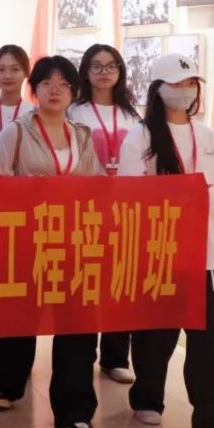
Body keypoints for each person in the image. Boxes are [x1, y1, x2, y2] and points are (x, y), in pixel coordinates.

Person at [118, 53, 214, 428]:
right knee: (156, 331)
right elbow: (129, 196)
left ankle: (212, 417)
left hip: (208, 257)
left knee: (213, 338)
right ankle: (147, 397)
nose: (185, 91)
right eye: (176, 84)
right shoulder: (140, 138)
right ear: (158, 89)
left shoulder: (208, 137)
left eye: (191, 84)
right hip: (160, 252)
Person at [0, 55, 104, 428]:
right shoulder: (16, 133)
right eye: (46, 83)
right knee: (20, 315)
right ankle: (5, 384)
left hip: (74, 242)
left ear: (73, 91)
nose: (55, 90)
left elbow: (95, 186)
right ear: (34, 89)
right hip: (27, 240)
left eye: (64, 84)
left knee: (78, 325)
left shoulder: (83, 135)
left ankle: (75, 411)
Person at [67, 43, 142, 385]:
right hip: (85, 208)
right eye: (96, 66)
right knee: (86, 280)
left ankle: (116, 357)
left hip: (124, 208)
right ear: (85, 72)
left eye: (111, 66)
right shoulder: (74, 111)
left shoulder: (132, 115)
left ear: (120, 71)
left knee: (119, 281)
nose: (104, 72)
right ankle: (83, 351)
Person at [0, 44, 34, 136]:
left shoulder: (33, 114)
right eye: (1, 69)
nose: (8, 76)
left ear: (26, 72)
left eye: (15, 69)